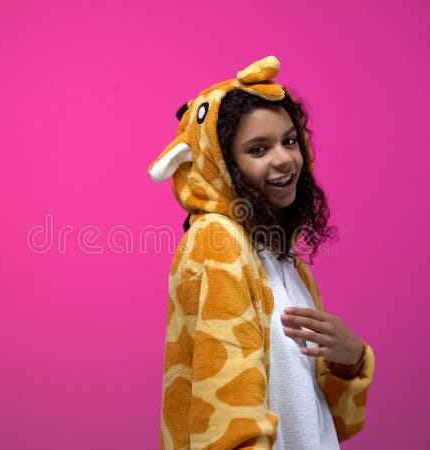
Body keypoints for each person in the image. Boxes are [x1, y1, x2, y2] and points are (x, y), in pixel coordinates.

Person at [148, 56, 375, 450]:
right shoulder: (216, 241)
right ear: (221, 165)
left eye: (289, 140)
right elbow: (226, 416)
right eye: (258, 149)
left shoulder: (282, 258)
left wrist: (351, 360)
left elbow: (327, 423)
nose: (285, 158)